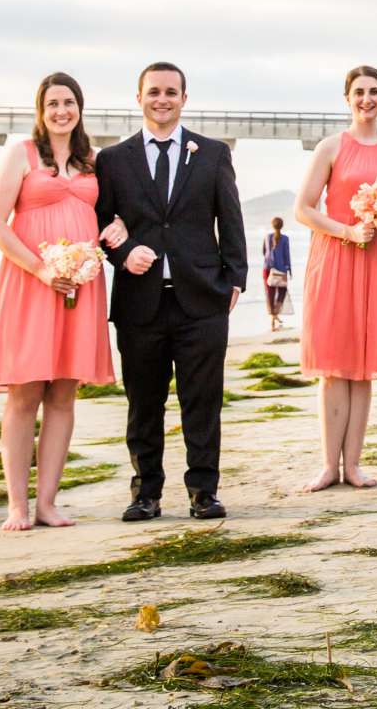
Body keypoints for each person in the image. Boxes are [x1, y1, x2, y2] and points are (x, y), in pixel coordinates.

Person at [93, 61, 245, 521]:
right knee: (144, 404)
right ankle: (146, 494)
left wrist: (234, 278)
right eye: (154, 91)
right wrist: (123, 256)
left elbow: (230, 219)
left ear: (184, 98)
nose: (162, 99)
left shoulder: (213, 154)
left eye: (171, 92)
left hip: (201, 299)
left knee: (203, 400)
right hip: (140, 302)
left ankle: (204, 491)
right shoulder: (114, 160)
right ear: (138, 97)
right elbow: (101, 224)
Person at [0, 73, 119, 530]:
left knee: (63, 393)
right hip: (32, 283)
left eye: (69, 102)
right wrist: (40, 269)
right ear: (41, 109)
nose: (61, 111)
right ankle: (17, 505)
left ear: (80, 107)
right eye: (52, 103)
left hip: (80, 286)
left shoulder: (93, 160)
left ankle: (48, 502)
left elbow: (114, 215)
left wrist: (119, 231)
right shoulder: (21, 155)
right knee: (24, 391)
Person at [295, 65, 377, 491]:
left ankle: (354, 464)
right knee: (334, 366)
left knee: (363, 368)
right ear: (347, 98)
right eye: (359, 92)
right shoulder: (330, 147)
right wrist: (346, 230)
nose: (367, 99)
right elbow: (303, 209)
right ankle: (329, 465)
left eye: (375, 92)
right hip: (335, 257)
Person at [262, 217, 292, 333]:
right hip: (281, 270)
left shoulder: (267, 237)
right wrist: (289, 270)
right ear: (282, 225)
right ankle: (275, 317)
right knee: (282, 292)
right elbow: (286, 255)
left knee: (270, 294)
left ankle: (273, 319)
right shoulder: (285, 239)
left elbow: (264, 252)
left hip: (267, 269)